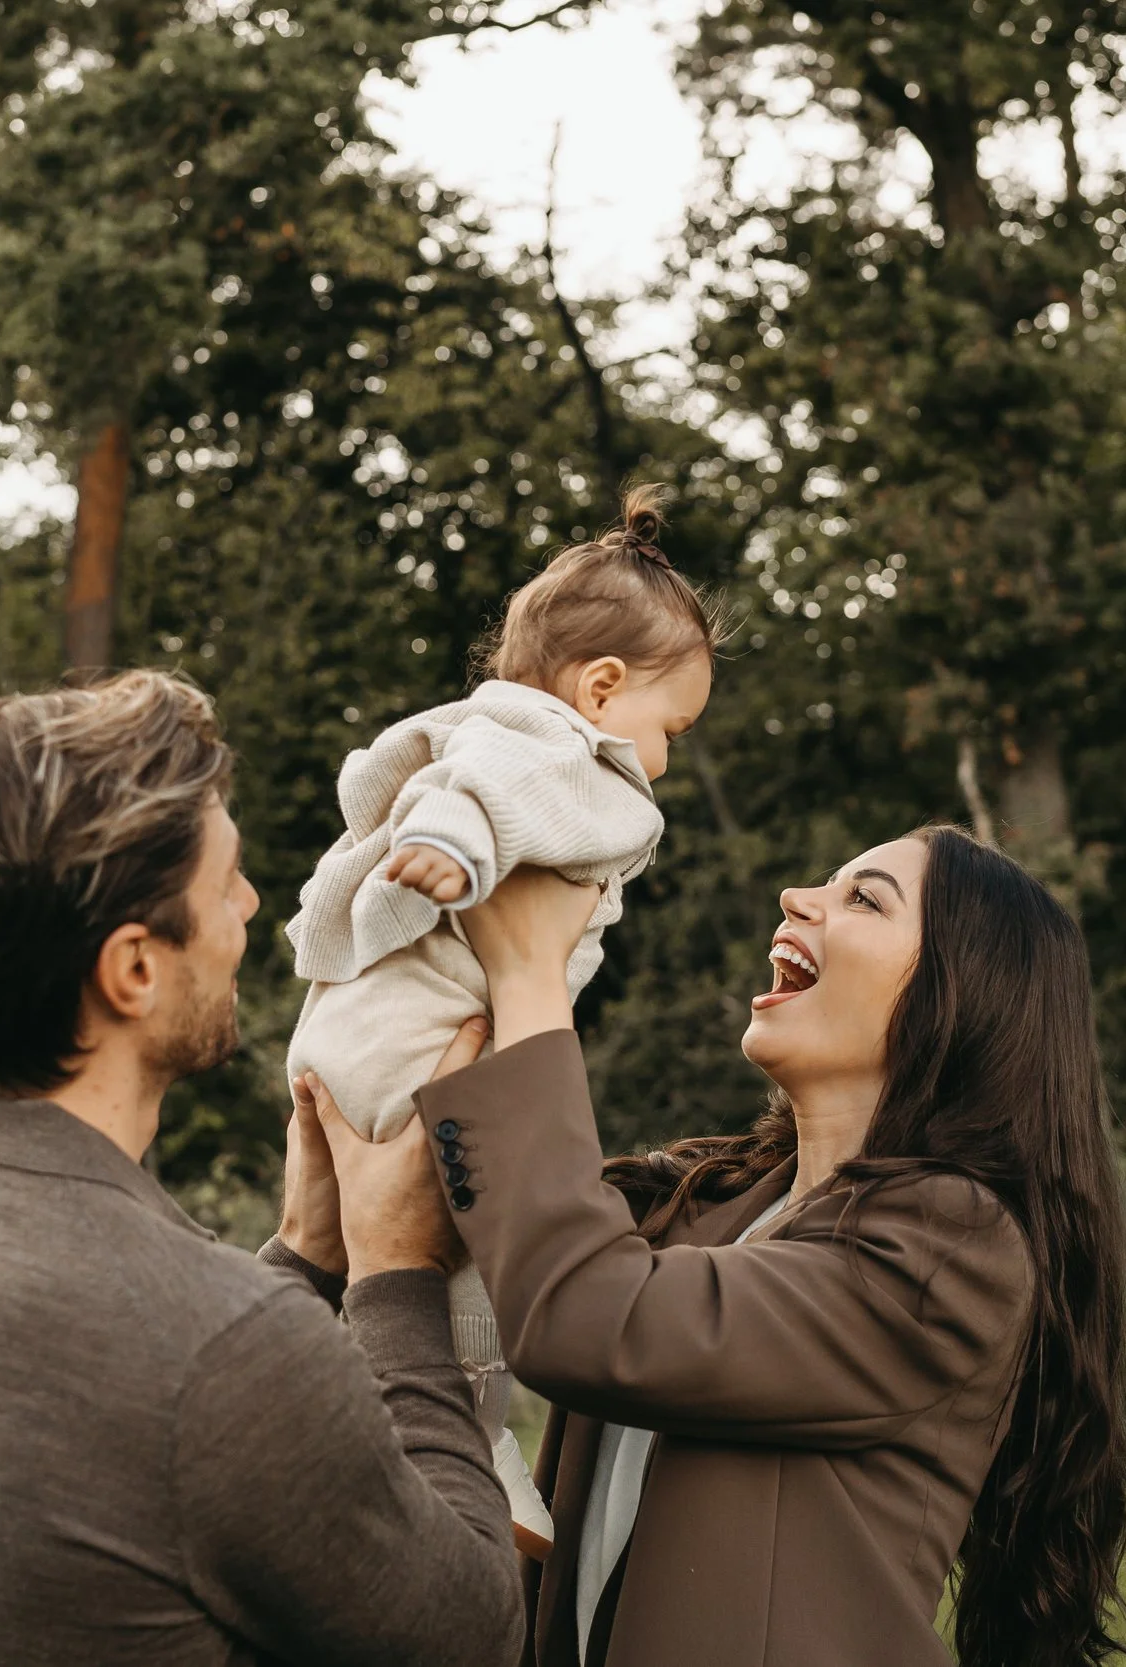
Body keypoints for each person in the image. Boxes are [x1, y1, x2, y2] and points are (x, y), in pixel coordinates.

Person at [0, 672, 525, 1667]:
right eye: (225, 882)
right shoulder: (219, 1348)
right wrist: (396, 1276)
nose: (250, 905)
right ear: (133, 968)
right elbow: (470, 1636)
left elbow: (110, 1455)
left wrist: (301, 1255)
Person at [304, 827, 1126, 1667]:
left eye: (864, 898)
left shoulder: (954, 1244)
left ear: (959, 996)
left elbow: (585, 1314)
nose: (797, 898)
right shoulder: (716, 1204)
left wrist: (531, 972)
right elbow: (522, 1232)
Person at [283, 485, 726, 1551]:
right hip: (415, 1044)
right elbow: (477, 794)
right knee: (480, 1247)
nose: (662, 757)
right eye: (669, 728)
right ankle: (470, 1449)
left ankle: (354, 1430)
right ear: (602, 685)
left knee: (392, 1260)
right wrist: (456, 852)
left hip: (357, 1035)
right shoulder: (542, 745)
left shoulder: (489, 726)